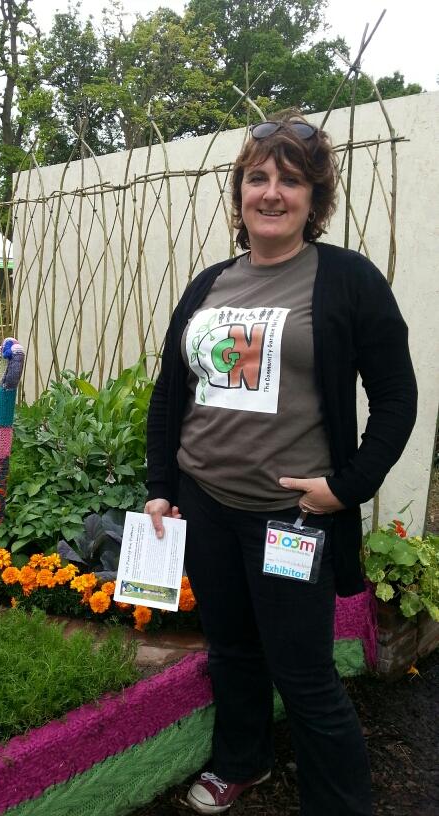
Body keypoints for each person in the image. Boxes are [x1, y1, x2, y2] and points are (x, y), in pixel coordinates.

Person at [145, 114, 417, 816]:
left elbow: (396, 398)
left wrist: (348, 488)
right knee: (231, 650)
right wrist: (162, 486)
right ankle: (244, 761)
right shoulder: (209, 284)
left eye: (291, 180)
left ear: (314, 198)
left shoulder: (347, 280)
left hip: (289, 520)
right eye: (257, 177)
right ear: (239, 193)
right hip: (206, 506)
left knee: (303, 672)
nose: (271, 192)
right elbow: (171, 390)